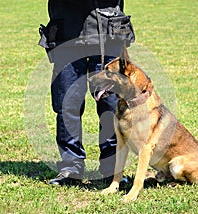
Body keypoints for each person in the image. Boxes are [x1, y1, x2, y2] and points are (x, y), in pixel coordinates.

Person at [38, 0, 134, 185]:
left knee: (111, 104)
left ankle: (112, 168)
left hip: (108, 31)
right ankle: (71, 168)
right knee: (67, 104)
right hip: (67, 33)